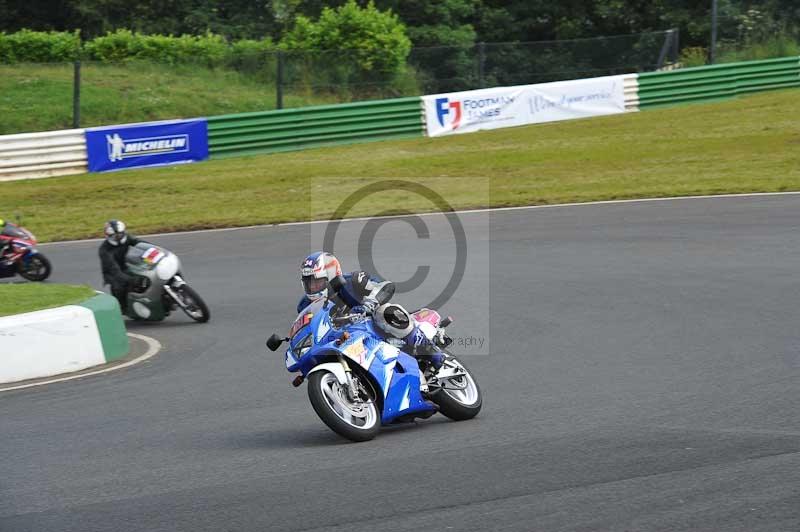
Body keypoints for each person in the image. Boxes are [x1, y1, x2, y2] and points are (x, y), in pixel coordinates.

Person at [297, 251, 448, 360]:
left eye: (317, 282)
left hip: (378, 329)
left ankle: (429, 348)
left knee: (384, 312)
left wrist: (368, 305)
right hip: (348, 341)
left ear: (331, 276)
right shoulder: (305, 305)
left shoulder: (354, 280)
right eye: (308, 283)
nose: (313, 287)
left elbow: (386, 286)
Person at [98, 220, 143, 308]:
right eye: (115, 236)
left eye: (120, 234)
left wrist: (155, 250)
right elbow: (114, 270)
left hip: (127, 266)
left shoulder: (128, 238)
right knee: (120, 286)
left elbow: (141, 243)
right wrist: (130, 280)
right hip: (113, 273)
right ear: (108, 236)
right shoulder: (104, 250)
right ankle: (122, 308)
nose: (118, 237)